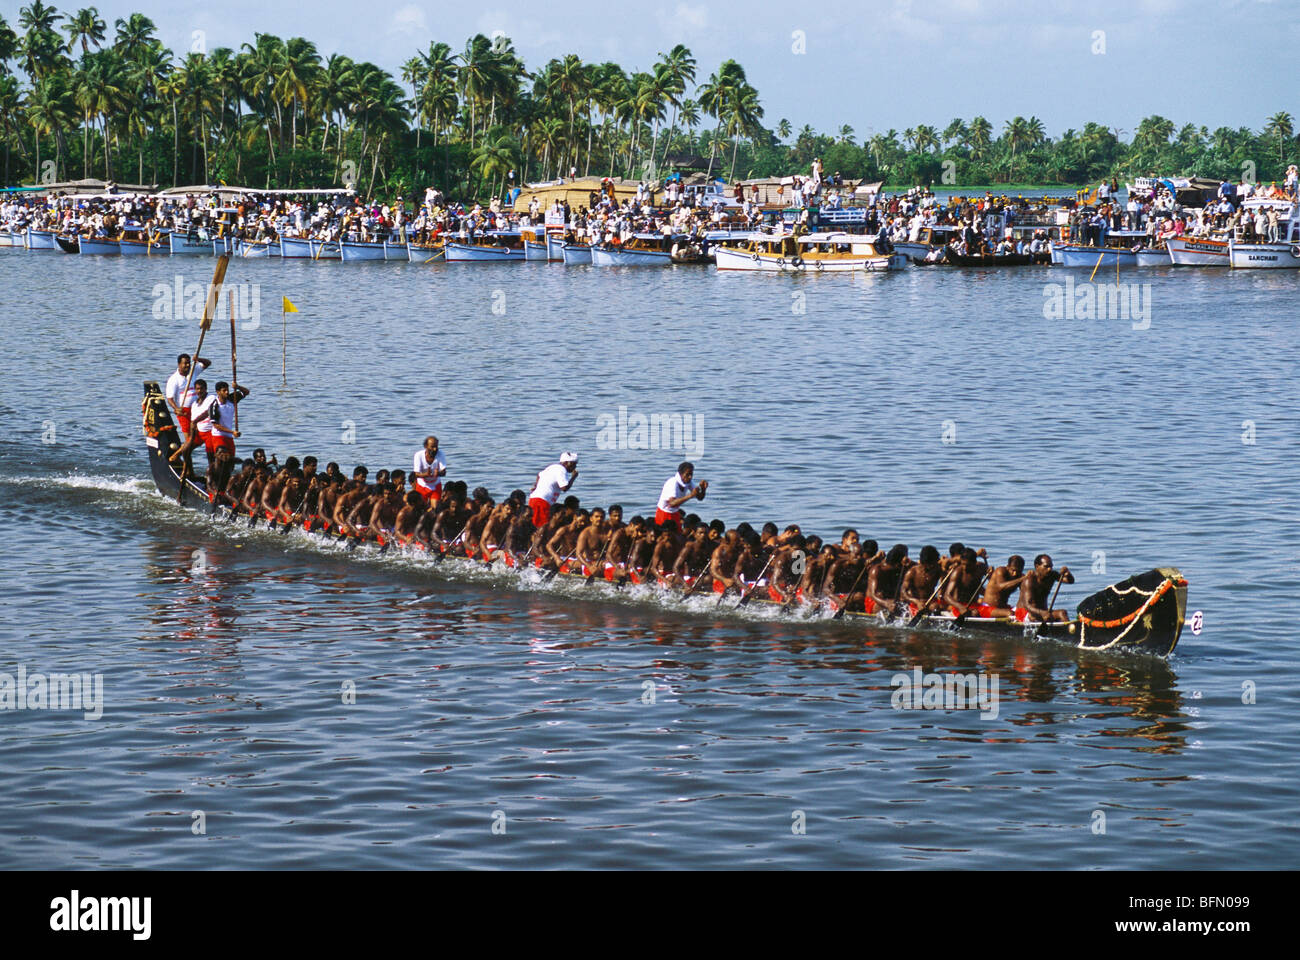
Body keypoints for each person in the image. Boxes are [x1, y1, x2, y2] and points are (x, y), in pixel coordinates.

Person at [1016, 554, 1074, 623]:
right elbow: (1027, 605)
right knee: (1060, 613)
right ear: (1037, 566)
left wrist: (1068, 574)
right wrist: (1042, 613)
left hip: (1043, 612)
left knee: (1062, 614)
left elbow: (1070, 581)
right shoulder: (1029, 581)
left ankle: (1066, 631)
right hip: (1024, 613)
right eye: (1046, 566)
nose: (1049, 569)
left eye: (1051, 566)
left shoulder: (1052, 575)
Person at [164, 353, 211, 437]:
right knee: (188, 435)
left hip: (196, 407)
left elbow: (207, 363)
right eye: (185, 363)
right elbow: (170, 398)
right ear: (179, 364)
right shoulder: (173, 379)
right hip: (183, 410)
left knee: (200, 432)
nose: (188, 365)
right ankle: (186, 449)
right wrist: (176, 409)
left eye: (189, 363)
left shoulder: (193, 370)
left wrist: (198, 359)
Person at [528, 451, 578, 526]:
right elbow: (564, 488)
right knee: (542, 526)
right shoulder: (561, 470)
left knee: (535, 524)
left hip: (535, 499)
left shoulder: (552, 467)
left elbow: (539, 475)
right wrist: (573, 477)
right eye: (573, 464)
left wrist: (536, 486)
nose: (575, 467)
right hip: (542, 502)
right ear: (567, 463)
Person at [655, 461, 708, 530]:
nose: (690, 477)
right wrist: (690, 496)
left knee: (678, 535)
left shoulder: (688, 482)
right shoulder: (673, 483)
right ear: (680, 474)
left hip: (675, 513)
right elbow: (672, 503)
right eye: (687, 474)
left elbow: (700, 498)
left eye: (691, 474)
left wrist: (703, 489)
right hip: (664, 513)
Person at [412, 435, 447, 502]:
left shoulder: (440, 454)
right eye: (432, 447)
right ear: (426, 446)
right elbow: (416, 474)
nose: (435, 449)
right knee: (421, 507)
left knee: (435, 508)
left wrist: (438, 473)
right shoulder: (418, 455)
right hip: (422, 485)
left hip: (435, 484)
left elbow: (444, 472)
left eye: (436, 446)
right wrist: (426, 474)